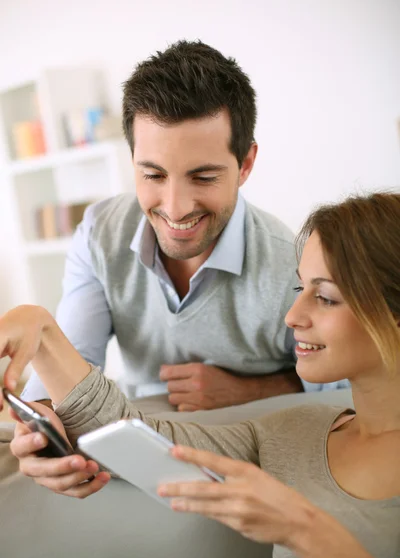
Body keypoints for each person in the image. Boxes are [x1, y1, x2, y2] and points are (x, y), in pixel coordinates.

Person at [2, 191, 399, 558]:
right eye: (300, 290)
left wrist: (304, 530)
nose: (293, 315)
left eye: (326, 297)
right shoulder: (293, 433)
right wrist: (43, 333)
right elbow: (137, 438)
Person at [21, 39, 342, 413]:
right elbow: (71, 361)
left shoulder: (293, 264)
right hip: (140, 437)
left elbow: (342, 387)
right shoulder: (98, 234)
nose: (174, 209)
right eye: (153, 174)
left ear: (245, 165)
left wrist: (252, 390)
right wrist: (43, 419)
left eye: (203, 177)